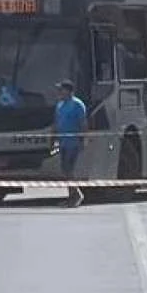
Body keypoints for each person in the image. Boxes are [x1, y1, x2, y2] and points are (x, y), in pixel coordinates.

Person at [53, 79, 88, 207]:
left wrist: (83, 139)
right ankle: (71, 196)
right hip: (63, 143)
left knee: (69, 170)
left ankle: (76, 196)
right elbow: (57, 123)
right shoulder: (60, 105)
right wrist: (54, 139)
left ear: (69, 91)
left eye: (62, 89)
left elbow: (83, 124)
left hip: (73, 143)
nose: (60, 92)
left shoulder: (78, 105)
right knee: (64, 170)